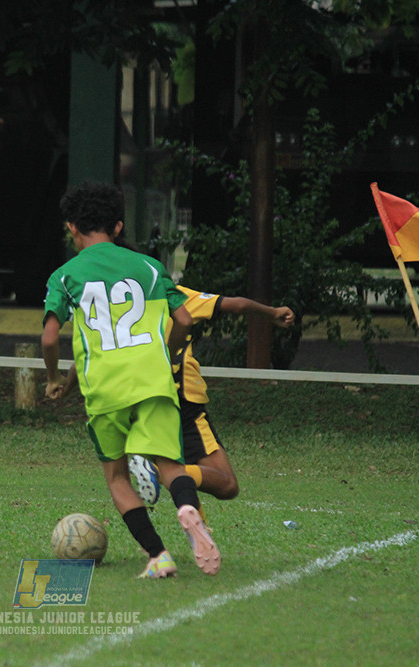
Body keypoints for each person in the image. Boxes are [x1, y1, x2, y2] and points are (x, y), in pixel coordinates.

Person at [42, 182, 220, 579]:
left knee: (117, 475)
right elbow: (185, 320)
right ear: (118, 227)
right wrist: (172, 354)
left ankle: (158, 555)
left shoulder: (66, 275)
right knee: (170, 464)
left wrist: (54, 378)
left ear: (72, 228)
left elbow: (50, 337)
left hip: (105, 391)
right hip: (153, 382)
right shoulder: (149, 268)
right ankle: (188, 508)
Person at [130, 286, 296, 514]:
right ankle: (160, 473)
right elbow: (237, 304)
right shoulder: (169, 291)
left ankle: (202, 540)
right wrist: (272, 312)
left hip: (139, 396)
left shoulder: (111, 304)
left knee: (193, 473)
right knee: (226, 484)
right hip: (182, 396)